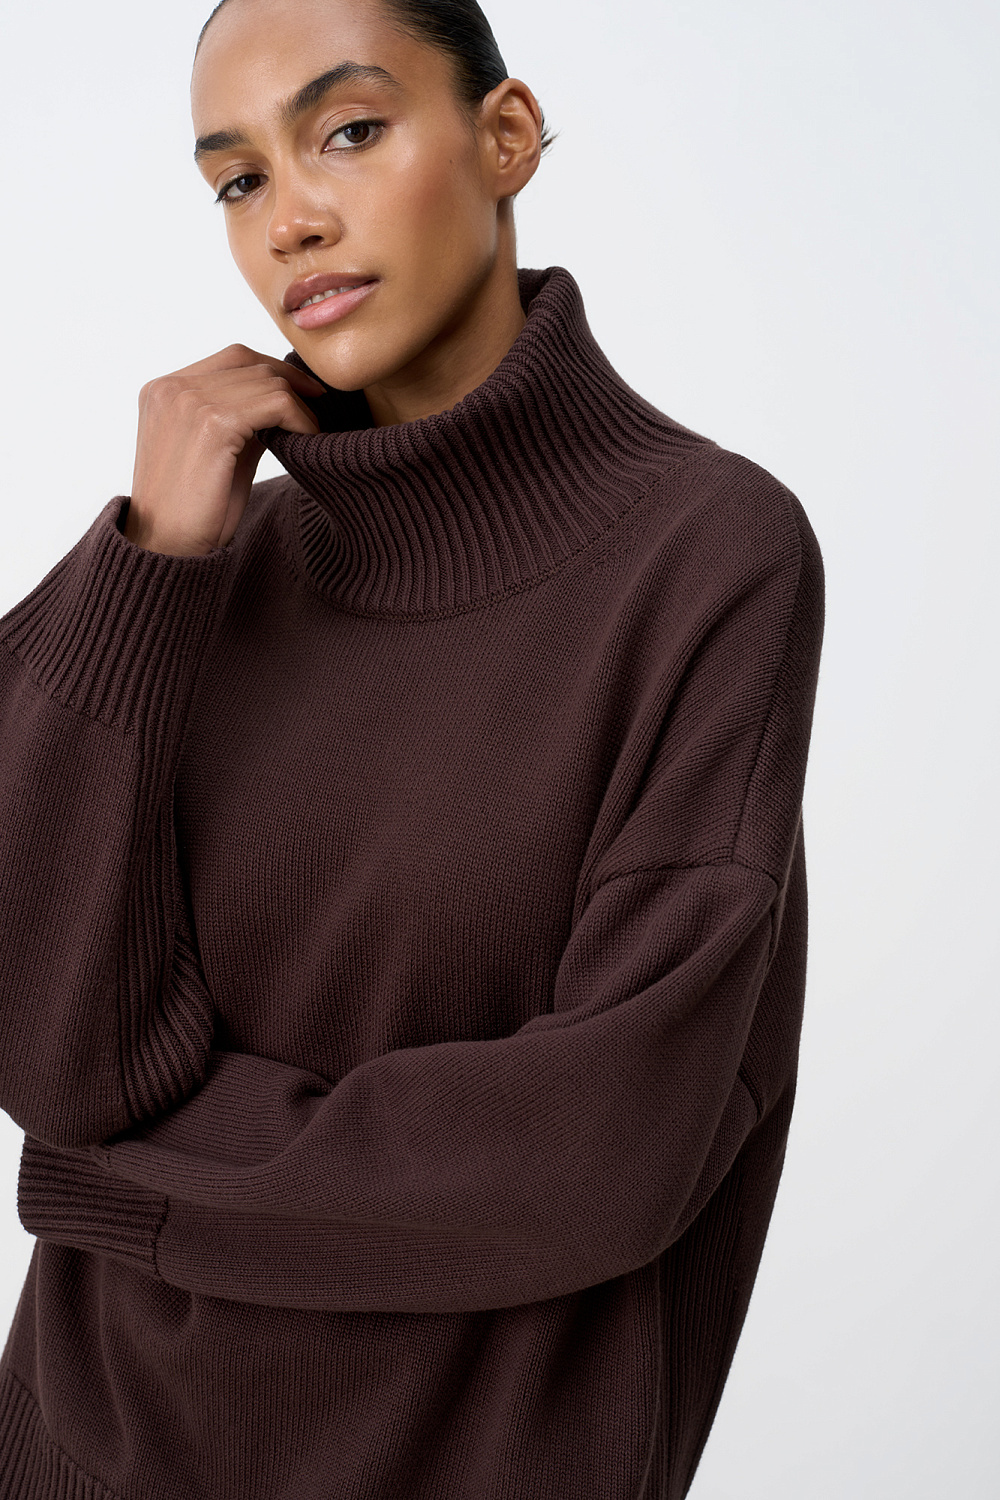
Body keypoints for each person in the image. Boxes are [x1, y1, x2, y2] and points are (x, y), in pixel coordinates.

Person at [0, 0, 825, 1496]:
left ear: (505, 136)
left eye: (350, 131)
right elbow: (50, 1043)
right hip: (75, 1451)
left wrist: (127, 1180)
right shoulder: (192, 567)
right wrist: (150, 560)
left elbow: (603, 1147)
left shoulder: (706, 556)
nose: (290, 221)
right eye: (239, 178)